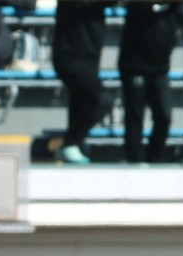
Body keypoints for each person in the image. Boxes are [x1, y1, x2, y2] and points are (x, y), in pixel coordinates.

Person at [118, 0, 180, 164]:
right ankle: (133, 159)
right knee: (135, 116)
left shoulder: (175, 6)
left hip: (160, 68)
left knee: (164, 116)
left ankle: (155, 158)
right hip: (135, 65)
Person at [53, 0, 112, 165]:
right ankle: (70, 143)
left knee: (80, 102)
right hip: (70, 58)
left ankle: (72, 145)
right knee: (102, 99)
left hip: (90, 59)